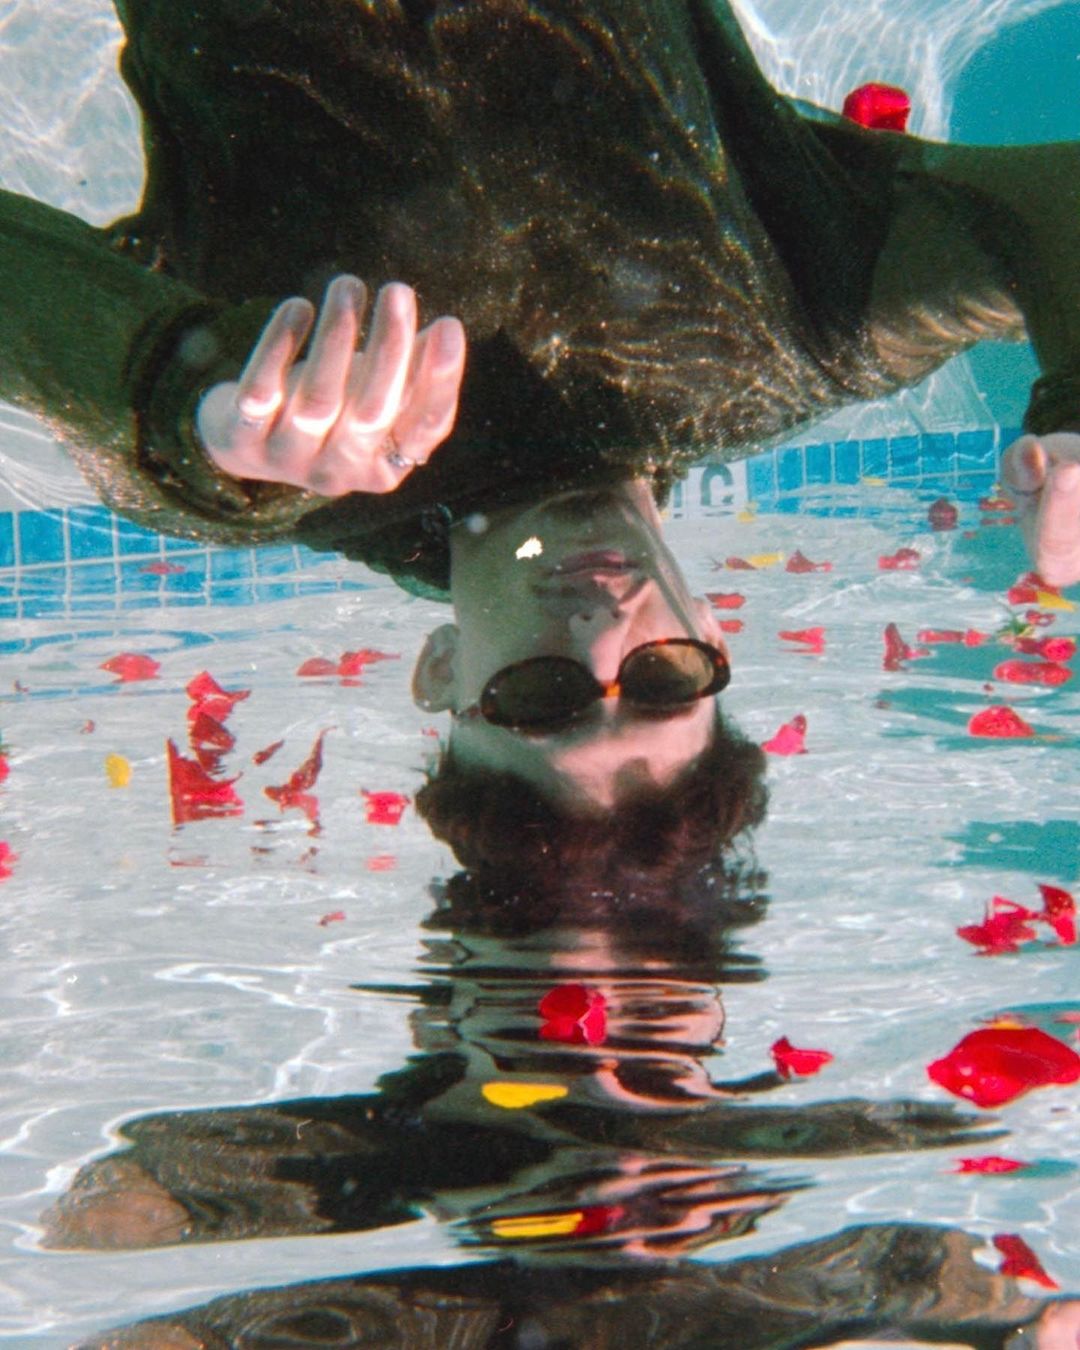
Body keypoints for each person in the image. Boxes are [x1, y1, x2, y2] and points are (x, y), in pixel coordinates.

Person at [2, 0, 1079, 842]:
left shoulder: (264, 473)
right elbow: (1042, 206)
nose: (604, 633)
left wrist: (175, 401)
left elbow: (101, 376)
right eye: (661, 683)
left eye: (543, 696)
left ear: (441, 673)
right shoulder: (794, 339)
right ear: (713, 643)